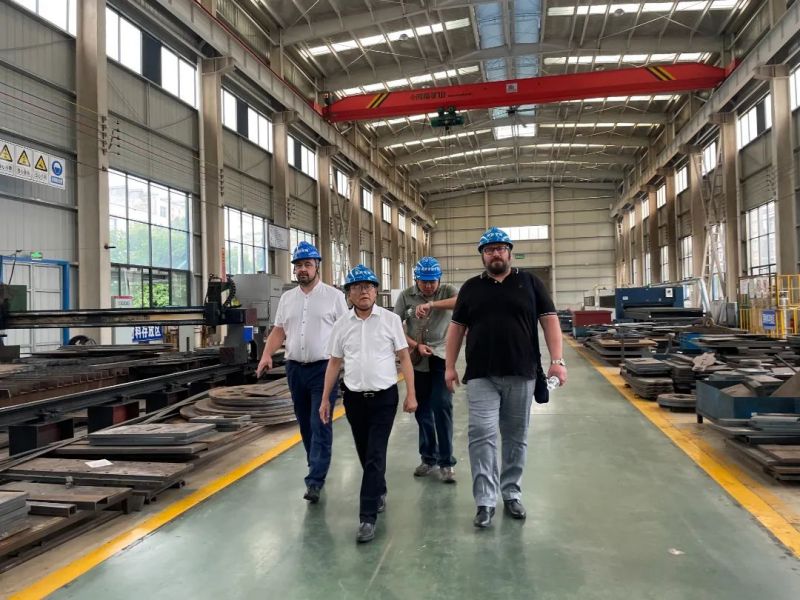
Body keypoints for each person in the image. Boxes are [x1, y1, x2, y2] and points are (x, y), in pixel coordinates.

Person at [444, 227, 567, 529]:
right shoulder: (471, 288)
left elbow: (550, 322)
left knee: (515, 437)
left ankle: (511, 492)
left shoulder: (530, 283)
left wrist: (557, 361)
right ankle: (485, 501)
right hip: (481, 374)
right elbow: (456, 329)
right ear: (482, 256)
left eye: (500, 248)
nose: (495, 254)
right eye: (489, 250)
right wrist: (449, 366)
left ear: (510, 252)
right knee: (481, 435)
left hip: (521, 372)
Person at [319, 264, 417, 543]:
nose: (364, 291)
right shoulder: (341, 325)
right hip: (354, 399)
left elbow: (405, 357)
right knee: (365, 453)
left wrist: (411, 394)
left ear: (375, 291)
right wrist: (325, 399)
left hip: (385, 398)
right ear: (349, 294)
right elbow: (334, 363)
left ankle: (367, 517)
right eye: (357, 287)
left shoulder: (390, 320)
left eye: (369, 286)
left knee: (375, 454)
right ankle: (379, 489)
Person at [256, 241, 348, 504]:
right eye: (298, 265)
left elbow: (345, 331)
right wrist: (266, 355)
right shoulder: (287, 299)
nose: (303, 269)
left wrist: (349, 363)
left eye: (307, 264)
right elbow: (279, 330)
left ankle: (315, 480)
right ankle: (314, 465)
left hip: (324, 369)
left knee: (320, 422)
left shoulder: (334, 297)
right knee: (305, 424)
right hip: (295, 369)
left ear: (317, 266)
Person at [394, 256, 459, 483]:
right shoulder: (406, 296)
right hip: (418, 360)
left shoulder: (447, 291)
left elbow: (461, 302)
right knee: (422, 411)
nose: (429, 286)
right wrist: (415, 345)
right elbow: (394, 327)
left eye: (433, 281)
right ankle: (428, 457)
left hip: (442, 357)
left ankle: (446, 462)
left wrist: (431, 304)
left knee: (442, 406)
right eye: (424, 282)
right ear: (416, 280)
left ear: (439, 279)